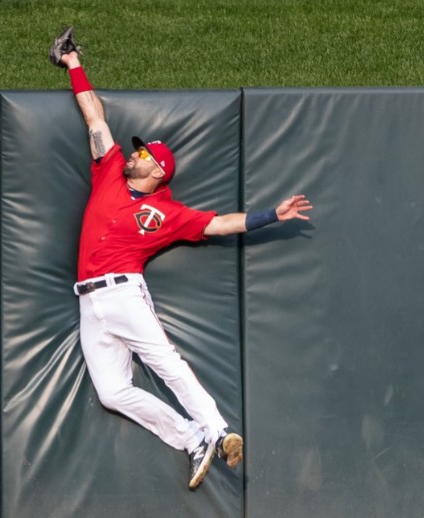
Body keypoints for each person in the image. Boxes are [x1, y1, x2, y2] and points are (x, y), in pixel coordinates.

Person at [58, 48, 312, 491]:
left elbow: (218, 223)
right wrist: (74, 63)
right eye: (137, 152)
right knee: (113, 393)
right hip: (88, 301)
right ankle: (193, 438)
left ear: (157, 169)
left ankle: (216, 428)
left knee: (166, 362)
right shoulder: (111, 172)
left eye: (143, 155)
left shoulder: (166, 211)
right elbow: (95, 118)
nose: (134, 155)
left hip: (122, 292)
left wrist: (272, 213)